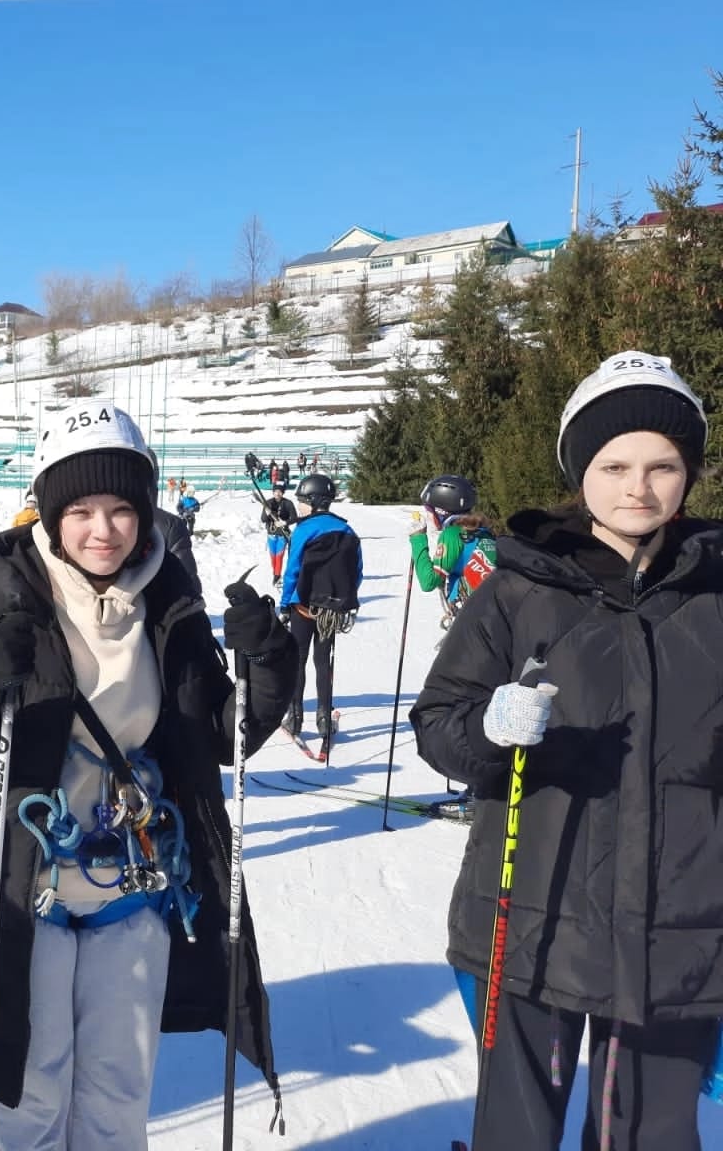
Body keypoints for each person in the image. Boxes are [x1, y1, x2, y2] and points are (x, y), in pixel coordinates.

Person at [0, 398, 297, 1149]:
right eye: (81, 510)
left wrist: (268, 662)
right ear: (50, 514)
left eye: (123, 508)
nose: (104, 529)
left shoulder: (169, 598)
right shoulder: (9, 597)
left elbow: (222, 736)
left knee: (119, 1099)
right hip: (29, 889)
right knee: (33, 1098)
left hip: (135, 887)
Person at [412, 352, 723, 1151]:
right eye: (614, 466)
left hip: (679, 933)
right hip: (531, 921)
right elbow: (439, 724)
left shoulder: (716, 596)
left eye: (663, 466)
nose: (638, 488)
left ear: (689, 474)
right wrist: (489, 728)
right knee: (516, 1134)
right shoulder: (518, 590)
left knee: (652, 1137)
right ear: (580, 470)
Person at [279, 473, 361, 748]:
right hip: (331, 612)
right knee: (323, 661)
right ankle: (324, 719)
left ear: (314, 502)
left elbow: (292, 571)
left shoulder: (303, 530)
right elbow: (357, 572)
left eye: (301, 501)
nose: (298, 506)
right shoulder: (347, 530)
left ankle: (295, 718)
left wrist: (284, 604)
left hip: (302, 607)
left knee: (297, 660)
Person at [409, 475, 497, 626]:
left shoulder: (452, 534)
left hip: (480, 620)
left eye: (429, 511)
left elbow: (428, 582)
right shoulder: (482, 532)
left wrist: (418, 538)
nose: (428, 517)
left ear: (441, 511)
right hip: (496, 613)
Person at [262, 485, 298, 585]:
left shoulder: (288, 503)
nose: (277, 494)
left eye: (280, 492)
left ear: (283, 493)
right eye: (276, 491)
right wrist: (266, 513)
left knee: (279, 556)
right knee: (273, 556)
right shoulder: (268, 503)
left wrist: (284, 522)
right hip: (271, 534)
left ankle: (277, 575)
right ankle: (275, 573)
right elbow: (263, 519)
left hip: (282, 534)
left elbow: (294, 518)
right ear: (273, 492)